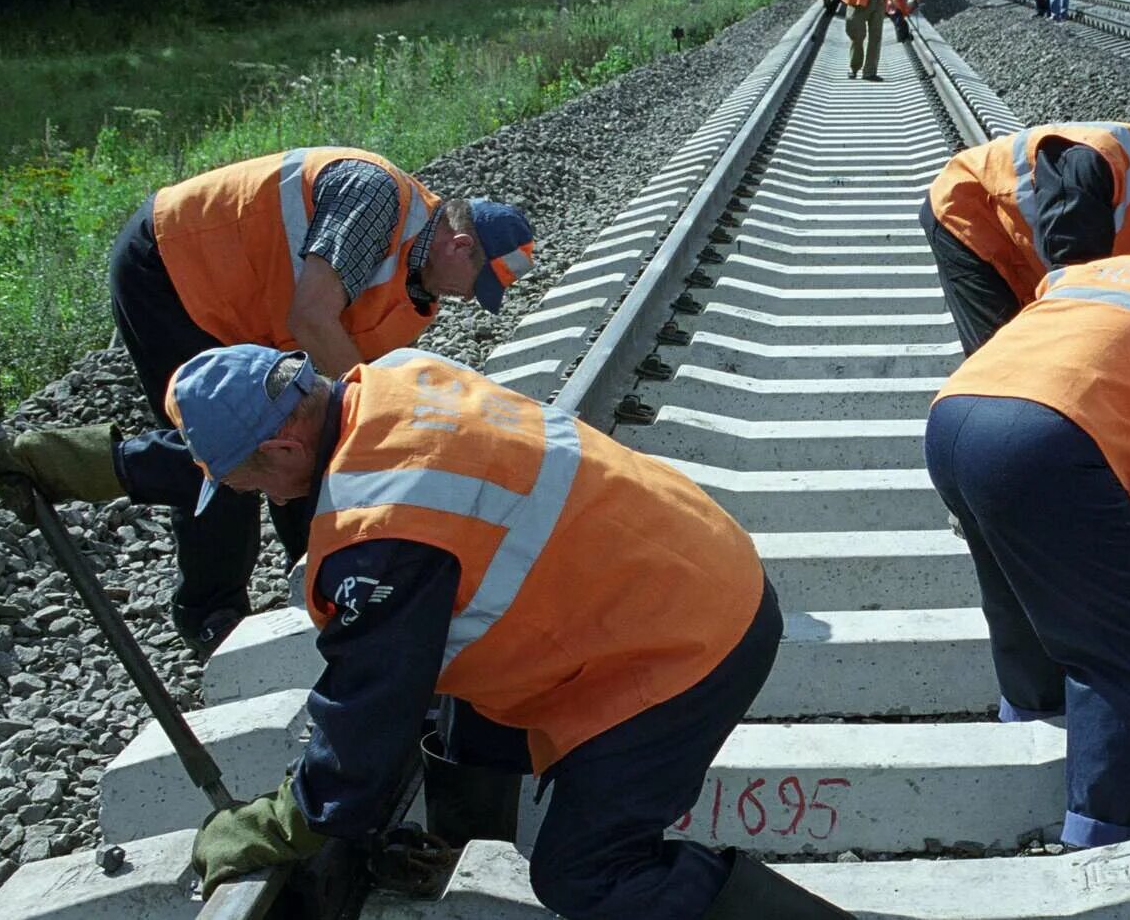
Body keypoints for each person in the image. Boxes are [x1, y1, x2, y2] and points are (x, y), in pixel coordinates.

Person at [160, 344, 852, 920]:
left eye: (250, 484)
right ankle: (463, 840)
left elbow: (368, 709)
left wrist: (286, 822)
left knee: (586, 876)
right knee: (466, 725)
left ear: (283, 446)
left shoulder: (382, 526)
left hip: (686, 648)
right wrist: (94, 461)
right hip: (690, 563)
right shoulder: (392, 378)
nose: (266, 499)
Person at [0, 147, 535, 657]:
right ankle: (209, 614)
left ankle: (314, 577)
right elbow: (312, 319)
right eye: (477, 283)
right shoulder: (375, 199)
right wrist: (380, 425)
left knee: (305, 437)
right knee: (231, 449)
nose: (468, 299)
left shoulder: (417, 291)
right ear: (459, 246)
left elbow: (326, 411)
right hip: (177, 270)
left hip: (254, 310)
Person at [925, 192, 1130, 850]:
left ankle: (1031, 727)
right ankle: (1099, 840)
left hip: (952, 421)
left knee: (1018, 595)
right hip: (1043, 444)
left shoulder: (1082, 273)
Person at [922, 122, 1130, 354]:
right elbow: (1075, 290)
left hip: (1027, 243)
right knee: (1004, 353)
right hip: (971, 215)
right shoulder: (1095, 166)